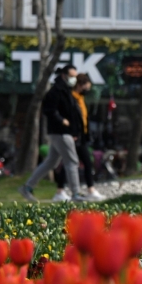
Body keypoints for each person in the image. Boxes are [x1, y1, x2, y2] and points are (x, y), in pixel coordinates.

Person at [19, 65, 85, 202]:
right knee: (72, 161)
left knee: (51, 162)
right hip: (60, 132)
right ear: (64, 75)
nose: (74, 79)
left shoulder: (66, 91)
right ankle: (76, 194)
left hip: (62, 132)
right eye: (72, 76)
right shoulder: (56, 92)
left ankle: (27, 187)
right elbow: (49, 110)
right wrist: (62, 121)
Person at [52, 74, 106, 202]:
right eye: (87, 86)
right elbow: (70, 118)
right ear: (80, 85)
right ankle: (89, 190)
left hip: (81, 136)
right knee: (84, 162)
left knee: (71, 163)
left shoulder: (79, 98)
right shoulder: (71, 98)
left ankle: (61, 191)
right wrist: (72, 132)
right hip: (75, 136)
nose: (88, 89)